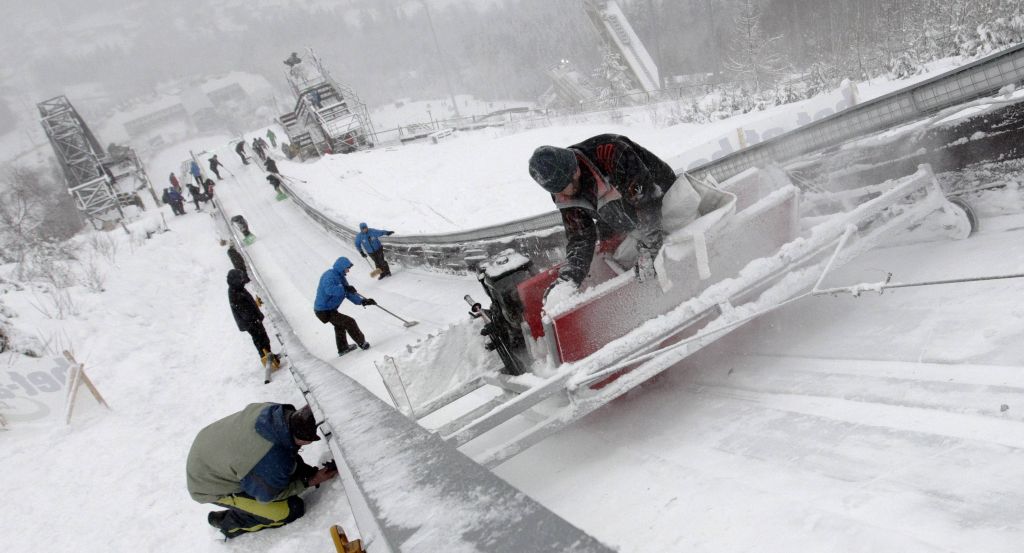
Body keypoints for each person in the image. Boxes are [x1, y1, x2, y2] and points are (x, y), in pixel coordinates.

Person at [527, 134, 678, 293]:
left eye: (564, 187)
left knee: (672, 239)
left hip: (666, 201)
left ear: (576, 171)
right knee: (620, 251)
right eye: (557, 191)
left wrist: (649, 248)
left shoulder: (612, 153)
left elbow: (647, 201)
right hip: (629, 217)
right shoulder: (561, 190)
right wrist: (569, 278)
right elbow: (580, 237)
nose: (563, 195)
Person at [186, 402, 338, 539]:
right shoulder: (269, 458)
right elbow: (268, 495)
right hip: (206, 484)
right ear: (306, 440)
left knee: (281, 464)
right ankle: (229, 523)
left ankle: (247, 506)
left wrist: (303, 473)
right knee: (290, 509)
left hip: (210, 449)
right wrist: (310, 480)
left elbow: (281, 454)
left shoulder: (274, 411)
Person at [313, 257, 374, 356]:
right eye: (347, 268)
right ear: (341, 267)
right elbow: (330, 290)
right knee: (349, 322)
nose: (348, 270)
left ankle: (343, 348)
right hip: (323, 310)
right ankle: (362, 343)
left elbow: (348, 293)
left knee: (340, 325)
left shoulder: (341, 277)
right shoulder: (329, 276)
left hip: (329, 309)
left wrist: (362, 301)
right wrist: (345, 288)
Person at [227, 269, 280, 369]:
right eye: (240, 278)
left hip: (252, 320)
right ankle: (267, 359)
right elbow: (243, 310)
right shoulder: (235, 293)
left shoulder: (238, 288)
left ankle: (269, 356)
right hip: (250, 322)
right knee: (260, 340)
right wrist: (253, 320)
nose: (243, 280)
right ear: (235, 280)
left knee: (263, 338)